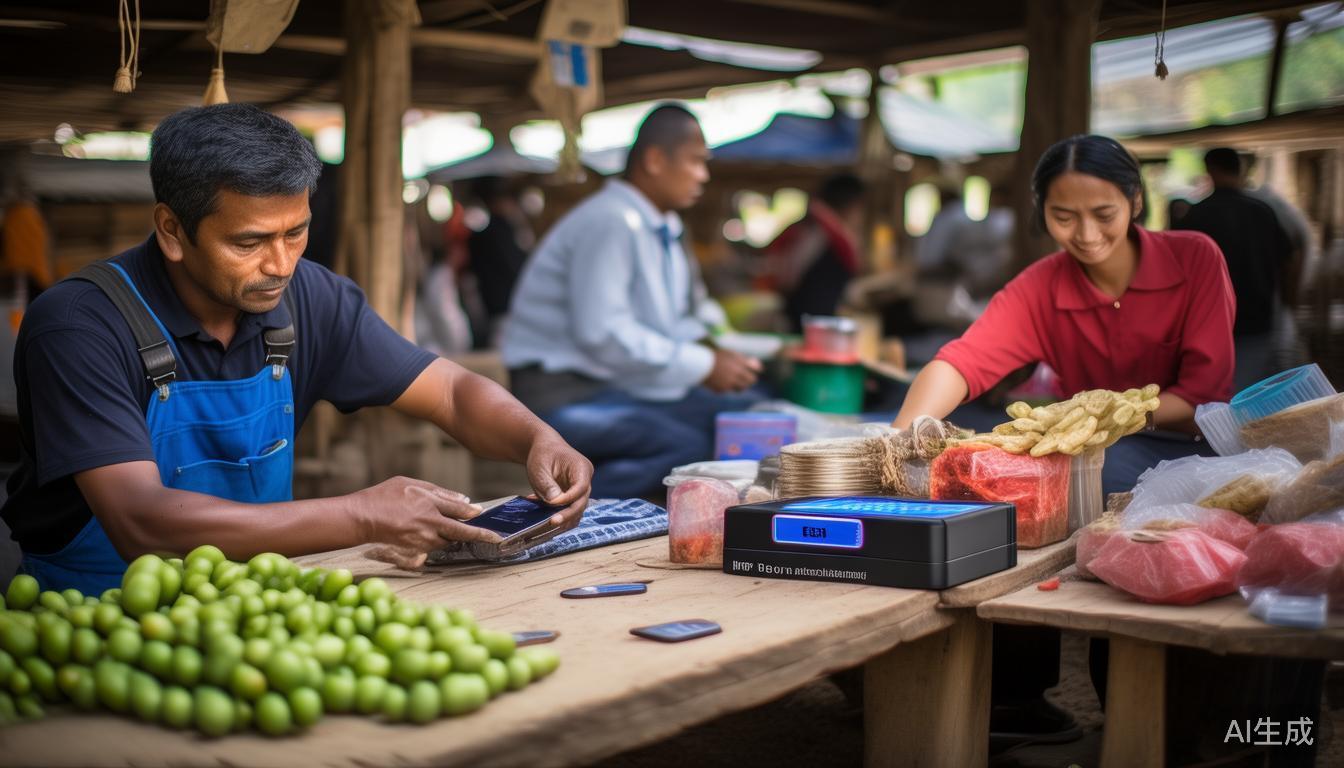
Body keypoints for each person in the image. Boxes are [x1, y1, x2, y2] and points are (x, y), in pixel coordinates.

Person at [0, 104, 592, 593]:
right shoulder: (78, 326)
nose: (281, 264)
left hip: (257, 605)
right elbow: (141, 522)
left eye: (296, 231)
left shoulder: (312, 298)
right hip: (91, 613)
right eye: (249, 241)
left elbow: (455, 395)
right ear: (172, 231)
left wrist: (537, 437)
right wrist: (360, 515)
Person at [892, 134, 1237, 748]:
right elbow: (964, 360)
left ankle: (1140, 709)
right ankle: (1020, 697)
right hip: (1084, 454)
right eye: (1062, 216)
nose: (1085, 234)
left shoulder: (1196, 257)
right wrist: (901, 441)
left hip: (1185, 447)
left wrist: (1109, 416)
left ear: (1135, 201)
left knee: (1087, 490)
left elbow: (1204, 394)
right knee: (1005, 486)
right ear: (1040, 212)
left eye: (1102, 213)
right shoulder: (1042, 284)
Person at [502, 104, 762, 499]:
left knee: (736, 416)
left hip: (612, 384)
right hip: (560, 397)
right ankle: (564, 510)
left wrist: (738, 353)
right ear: (656, 160)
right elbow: (602, 333)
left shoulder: (658, 228)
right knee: (684, 447)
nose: (703, 176)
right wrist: (703, 364)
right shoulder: (611, 222)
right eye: (695, 161)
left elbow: (673, 323)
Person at [1174, 147, 1292, 391]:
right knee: (1249, 393)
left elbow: (1176, 270)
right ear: (1240, 169)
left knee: (1212, 393)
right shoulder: (1262, 211)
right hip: (1257, 317)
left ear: (1210, 170)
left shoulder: (1197, 215)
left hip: (1209, 319)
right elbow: (1289, 257)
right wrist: (1289, 300)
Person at [763, 173, 866, 331]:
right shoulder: (818, 230)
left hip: (812, 321)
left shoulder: (817, 226)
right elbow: (787, 277)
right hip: (804, 323)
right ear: (851, 205)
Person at [467, 176, 534, 344]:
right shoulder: (500, 231)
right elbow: (515, 267)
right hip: (507, 307)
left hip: (498, 307)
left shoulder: (484, 234)